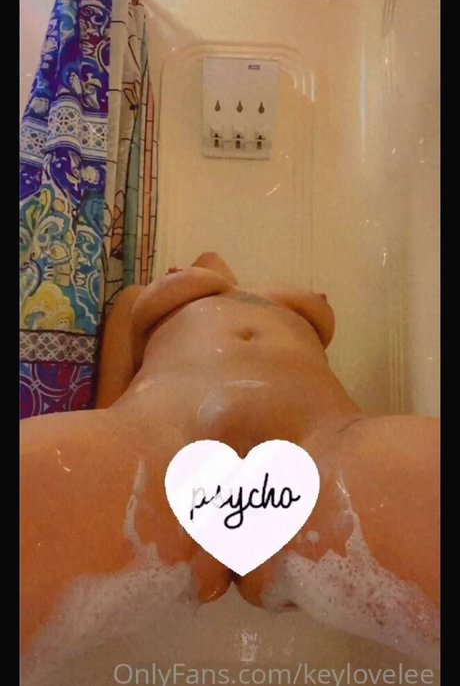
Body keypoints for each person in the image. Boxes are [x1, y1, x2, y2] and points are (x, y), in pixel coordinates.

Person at [20, 252, 439, 666]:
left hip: (325, 441)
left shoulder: (257, 296)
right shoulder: (135, 298)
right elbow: (108, 402)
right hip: (154, 442)